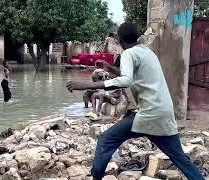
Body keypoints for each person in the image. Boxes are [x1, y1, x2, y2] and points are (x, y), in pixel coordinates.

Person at [66, 22, 204, 180]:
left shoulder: (128, 53)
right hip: (162, 114)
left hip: (148, 114)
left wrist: (86, 85)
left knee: (106, 140)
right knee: (179, 158)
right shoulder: (146, 52)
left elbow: (125, 80)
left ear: (120, 40)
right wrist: (111, 69)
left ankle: (96, 177)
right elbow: (131, 77)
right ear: (137, 37)